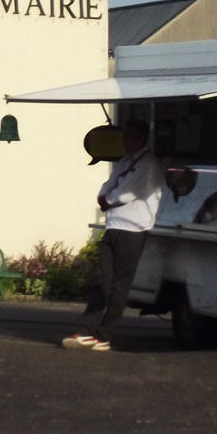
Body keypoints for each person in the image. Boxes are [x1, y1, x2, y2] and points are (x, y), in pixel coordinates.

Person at [63, 118, 163, 352]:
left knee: (119, 285)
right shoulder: (125, 161)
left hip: (133, 227)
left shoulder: (148, 163)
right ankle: (87, 330)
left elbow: (129, 192)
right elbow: (108, 184)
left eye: (127, 136)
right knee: (102, 279)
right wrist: (103, 196)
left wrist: (107, 200)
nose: (124, 141)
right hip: (114, 225)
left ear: (139, 138)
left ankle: (104, 334)